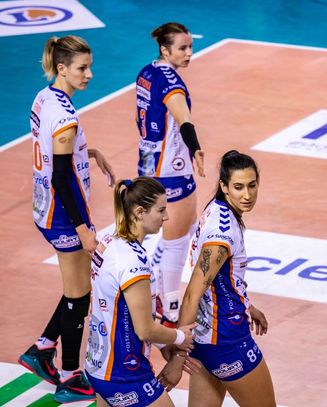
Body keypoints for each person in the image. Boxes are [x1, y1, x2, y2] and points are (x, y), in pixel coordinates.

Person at [18, 35, 115, 403]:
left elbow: (53, 150)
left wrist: (89, 152)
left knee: (77, 289)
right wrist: (82, 229)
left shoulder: (44, 98)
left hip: (45, 208)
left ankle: (43, 349)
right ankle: (70, 377)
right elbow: (61, 178)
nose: (89, 74)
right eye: (81, 68)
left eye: (89, 66)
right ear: (62, 68)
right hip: (63, 215)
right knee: (80, 296)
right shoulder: (65, 117)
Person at [158, 151, 276, 407]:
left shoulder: (216, 210)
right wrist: (178, 359)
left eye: (252, 185)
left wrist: (247, 306)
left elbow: (218, 281)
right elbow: (192, 294)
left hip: (205, 340)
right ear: (224, 186)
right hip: (227, 340)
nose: (247, 195)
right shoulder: (222, 236)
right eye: (238, 187)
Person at [85, 177, 198, 406]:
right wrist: (179, 337)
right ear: (139, 212)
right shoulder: (132, 262)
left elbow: (123, 312)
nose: (166, 217)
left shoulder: (110, 240)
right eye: (161, 210)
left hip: (99, 365)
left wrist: (163, 344)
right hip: (124, 374)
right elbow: (145, 329)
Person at [135, 22, 205, 328]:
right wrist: (196, 149)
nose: (189, 53)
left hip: (149, 164)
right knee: (179, 237)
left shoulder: (146, 73)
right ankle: (170, 309)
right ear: (165, 50)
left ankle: (159, 288)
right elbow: (184, 120)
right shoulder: (171, 83)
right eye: (182, 48)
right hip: (172, 169)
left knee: (180, 231)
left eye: (190, 47)